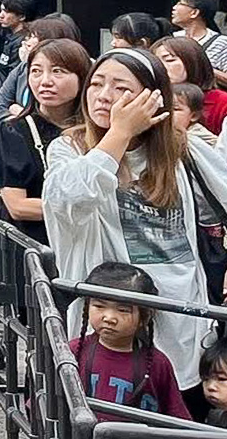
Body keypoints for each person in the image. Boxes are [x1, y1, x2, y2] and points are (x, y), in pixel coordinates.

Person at [44, 47, 227, 392]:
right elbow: (69, 199)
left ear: (152, 98)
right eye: (96, 84)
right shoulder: (71, 148)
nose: (103, 95)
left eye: (121, 88)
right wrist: (119, 134)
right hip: (108, 322)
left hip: (182, 317)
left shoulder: (180, 147)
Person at [0, 37, 91, 245]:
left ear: (83, 78)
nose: (45, 81)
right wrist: (90, 209)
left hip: (85, 243)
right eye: (36, 71)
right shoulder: (12, 131)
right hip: (31, 245)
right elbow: (18, 207)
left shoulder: (96, 130)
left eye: (58, 71)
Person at [71, 261, 189, 417]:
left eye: (123, 310)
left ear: (144, 317)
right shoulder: (73, 351)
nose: (109, 318)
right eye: (99, 306)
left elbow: (177, 418)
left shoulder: (158, 364)